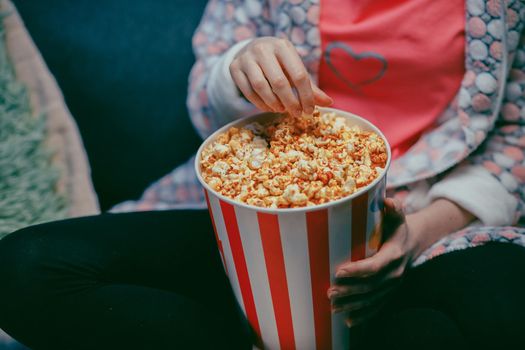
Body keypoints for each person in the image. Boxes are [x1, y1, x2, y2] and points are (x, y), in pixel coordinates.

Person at [1, 0, 525, 349]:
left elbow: (514, 138)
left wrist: (413, 238)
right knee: (25, 270)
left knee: (495, 305)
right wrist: (240, 68)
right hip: (253, 216)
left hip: (427, 220)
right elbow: (205, 96)